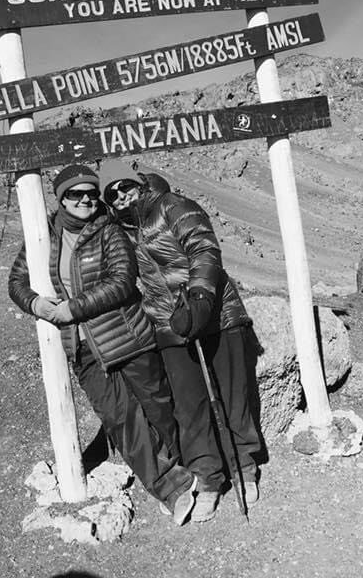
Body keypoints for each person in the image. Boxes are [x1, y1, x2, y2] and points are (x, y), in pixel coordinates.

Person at [8, 164, 197, 524]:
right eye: (75, 194)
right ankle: (171, 487)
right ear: (61, 198)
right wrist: (35, 304)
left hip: (128, 336)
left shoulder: (108, 230)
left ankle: (184, 464)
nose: (85, 200)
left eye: (91, 193)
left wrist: (72, 309)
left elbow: (123, 281)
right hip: (84, 350)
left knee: (158, 408)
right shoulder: (43, 234)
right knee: (120, 418)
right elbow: (17, 281)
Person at [99, 159, 263, 523]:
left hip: (217, 315)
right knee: (189, 406)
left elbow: (203, 248)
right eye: (113, 195)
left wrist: (202, 297)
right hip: (168, 324)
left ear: (138, 183)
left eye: (125, 186)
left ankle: (243, 467)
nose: (122, 197)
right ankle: (207, 477)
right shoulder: (119, 231)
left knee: (232, 396)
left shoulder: (172, 206)